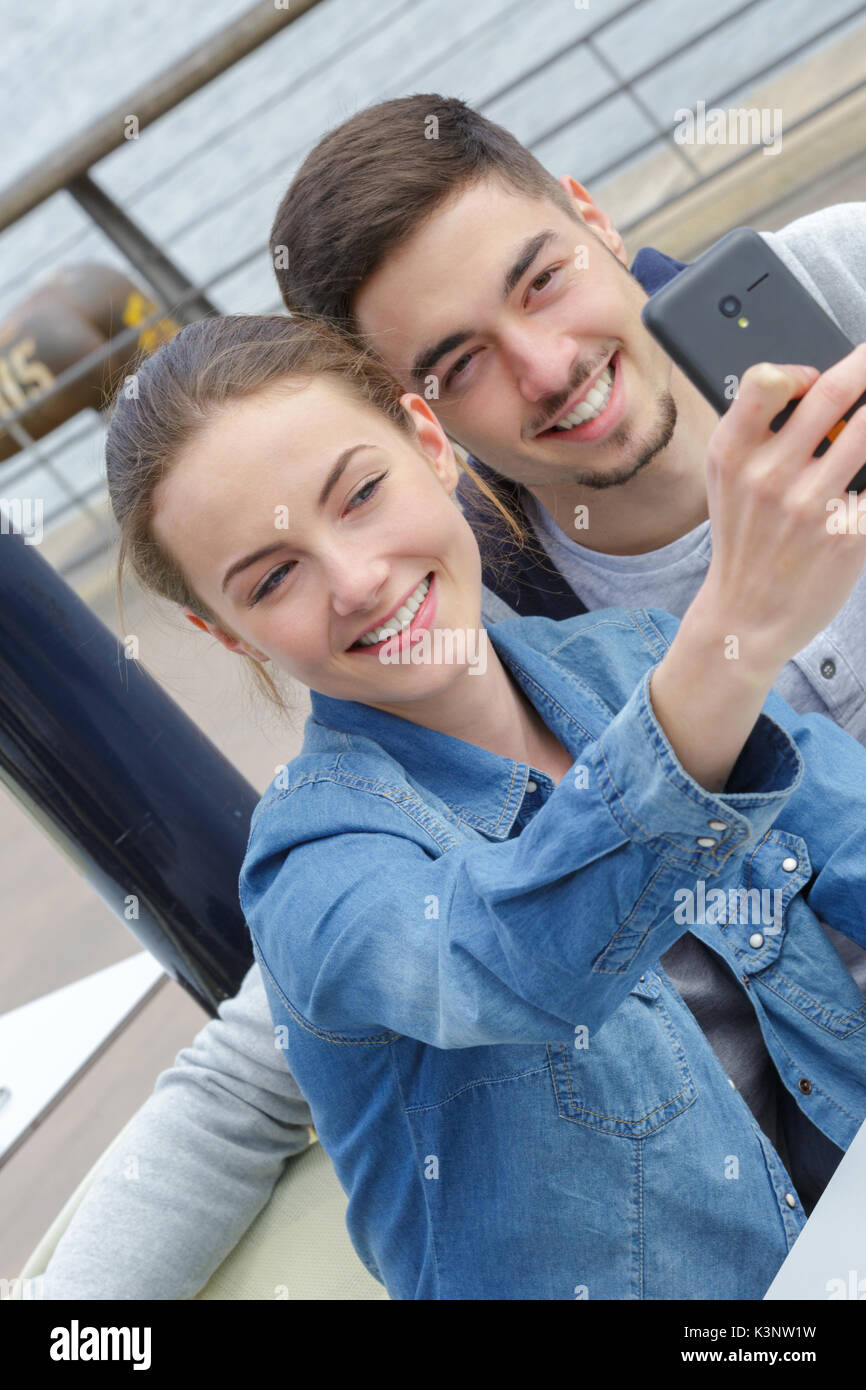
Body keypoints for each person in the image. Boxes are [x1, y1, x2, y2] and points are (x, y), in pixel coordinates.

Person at [36, 95, 866, 1299]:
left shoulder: (629, 654)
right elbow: (510, 954)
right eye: (274, 576)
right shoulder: (322, 869)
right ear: (224, 632)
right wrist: (733, 635)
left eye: (359, 493)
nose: (358, 579)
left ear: (428, 449)